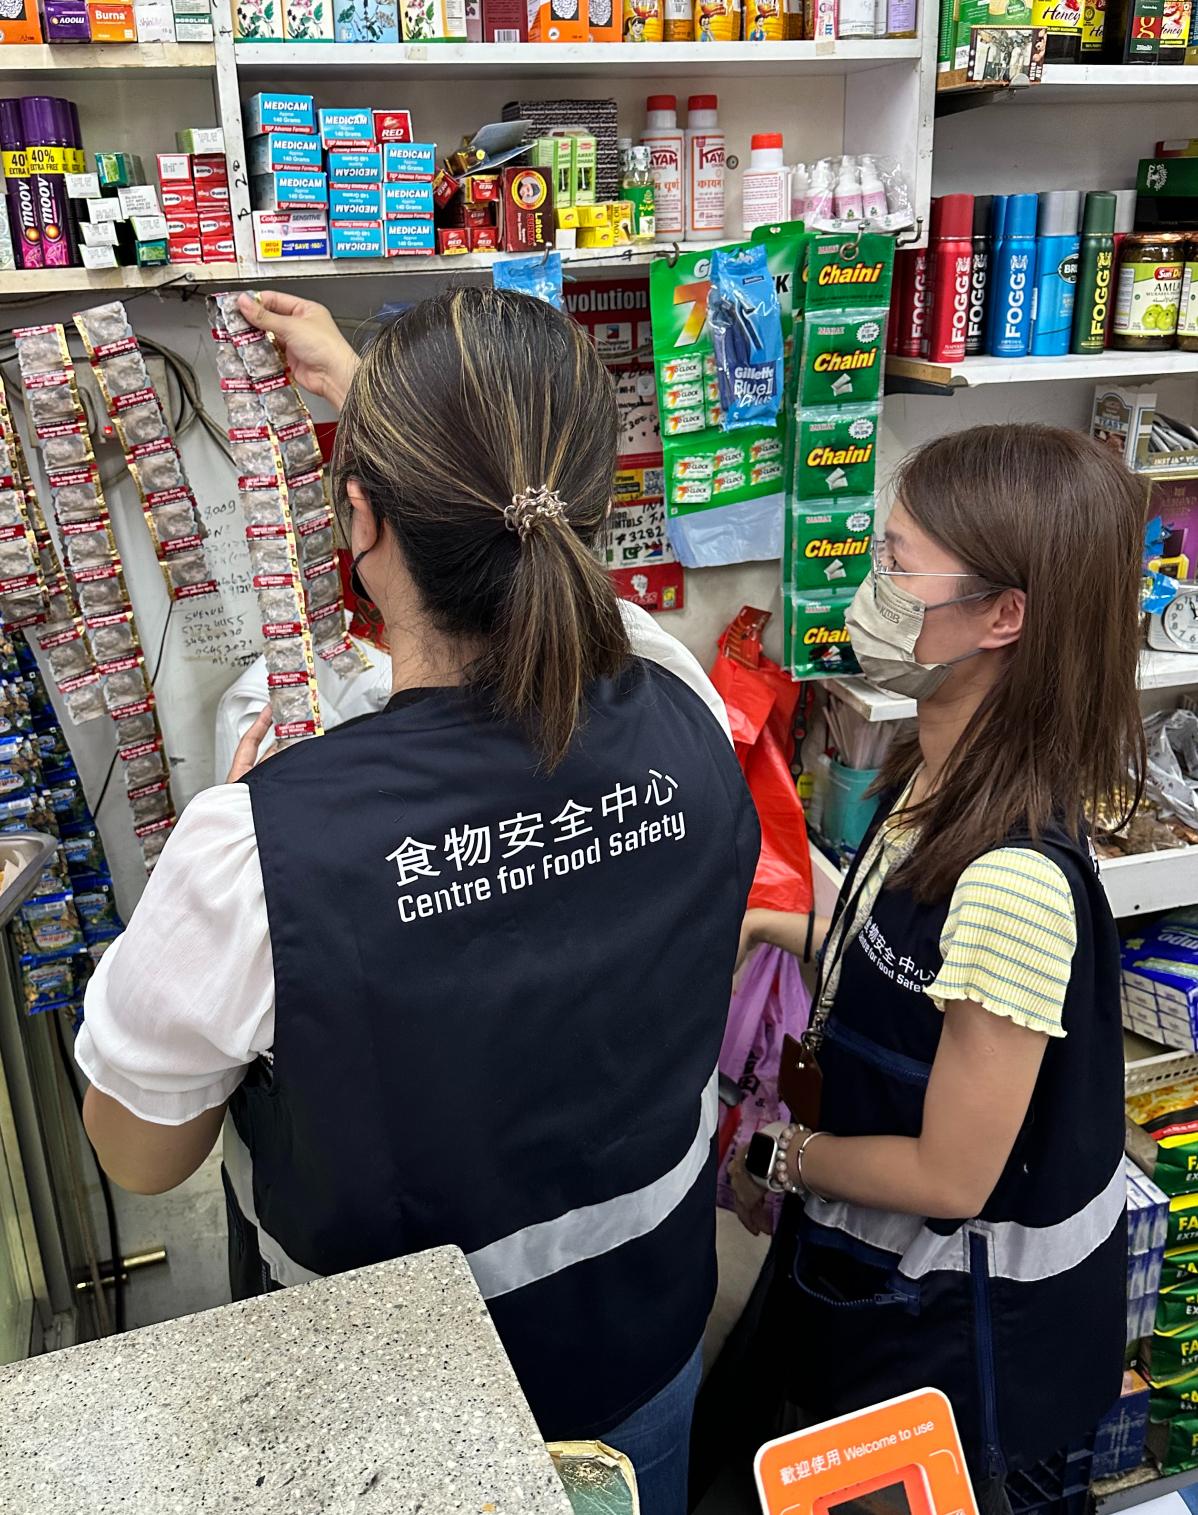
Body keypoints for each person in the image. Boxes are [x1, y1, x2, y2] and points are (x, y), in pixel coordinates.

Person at [76, 286, 760, 1514]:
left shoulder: (262, 847)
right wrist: (394, 424)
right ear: (593, 508)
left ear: (357, 526)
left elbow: (138, 1151)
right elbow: (569, 578)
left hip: (386, 1428)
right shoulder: (686, 707)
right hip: (643, 1354)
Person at [715, 424, 1145, 1510]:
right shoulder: (932, 771)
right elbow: (903, 971)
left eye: (898, 566)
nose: (870, 587)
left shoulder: (1012, 881)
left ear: (1004, 616)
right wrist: (769, 922)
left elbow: (954, 1175)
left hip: (961, 1352)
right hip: (870, 1288)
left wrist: (780, 1156)